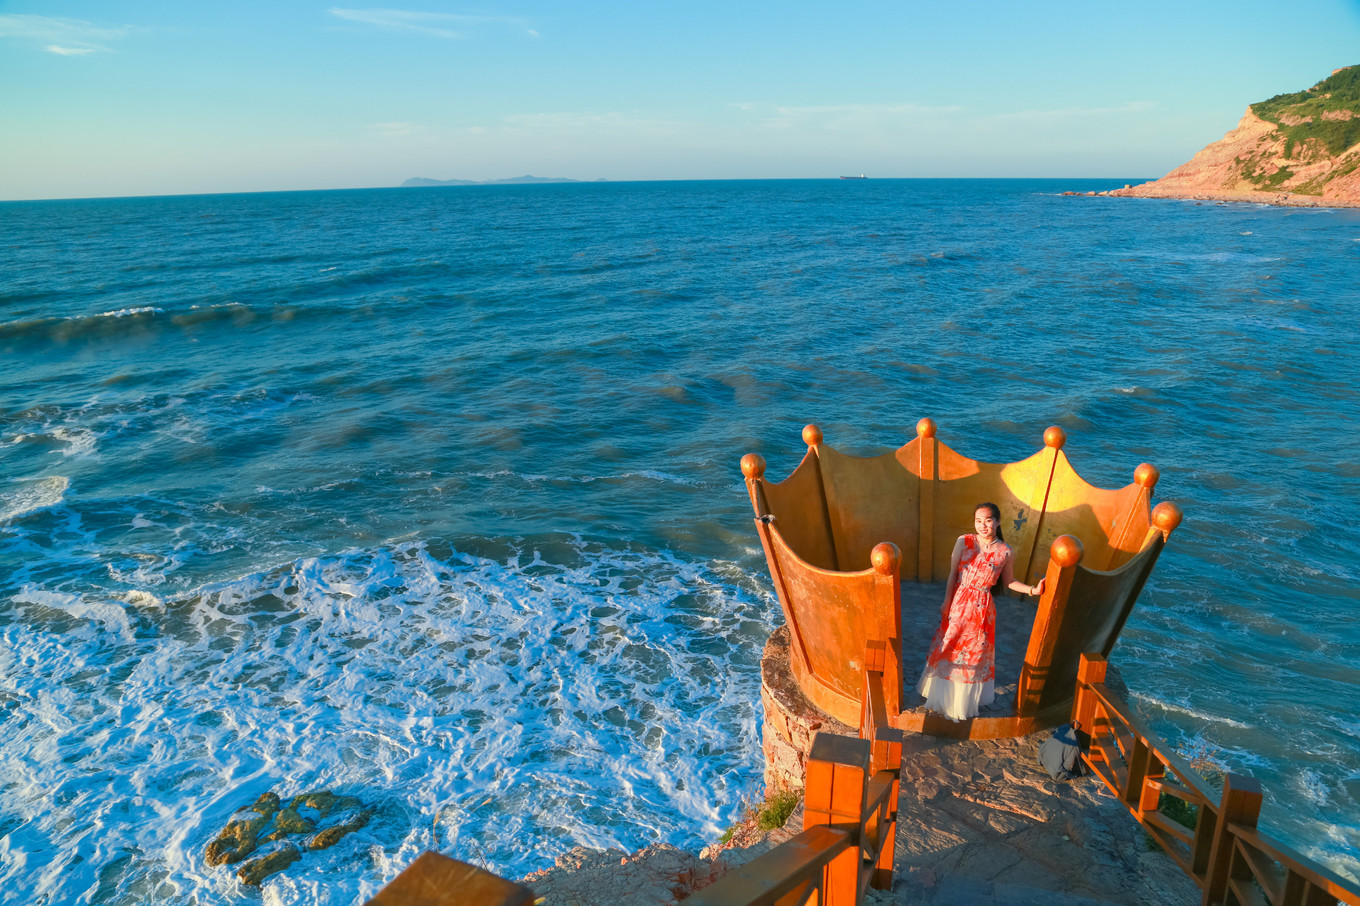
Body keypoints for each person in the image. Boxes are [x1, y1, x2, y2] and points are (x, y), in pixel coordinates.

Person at [917, 502, 1046, 721]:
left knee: (974, 656)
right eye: (978, 520)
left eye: (987, 520)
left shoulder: (1005, 552)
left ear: (997, 522)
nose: (983, 525)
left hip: (982, 609)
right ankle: (942, 698)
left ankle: (962, 705)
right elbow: (952, 575)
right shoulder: (964, 541)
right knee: (949, 648)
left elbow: (1010, 581)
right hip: (959, 602)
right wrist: (946, 602)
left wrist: (1033, 590)